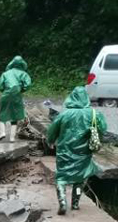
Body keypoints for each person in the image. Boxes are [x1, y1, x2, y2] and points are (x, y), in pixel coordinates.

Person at [46, 87, 108, 215]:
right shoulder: (93, 113)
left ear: (72, 97)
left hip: (64, 150)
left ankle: (62, 200)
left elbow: (52, 130)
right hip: (84, 152)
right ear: (85, 98)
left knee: (61, 177)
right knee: (80, 179)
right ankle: (75, 203)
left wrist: (50, 141)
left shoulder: (64, 114)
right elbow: (103, 128)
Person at [0, 56, 32, 142]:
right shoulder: (24, 74)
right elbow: (28, 85)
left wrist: (5, 90)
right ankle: (12, 138)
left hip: (6, 94)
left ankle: (2, 133)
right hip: (17, 95)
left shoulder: (6, 73)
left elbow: (0, 86)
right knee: (15, 117)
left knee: (2, 114)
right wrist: (21, 90)